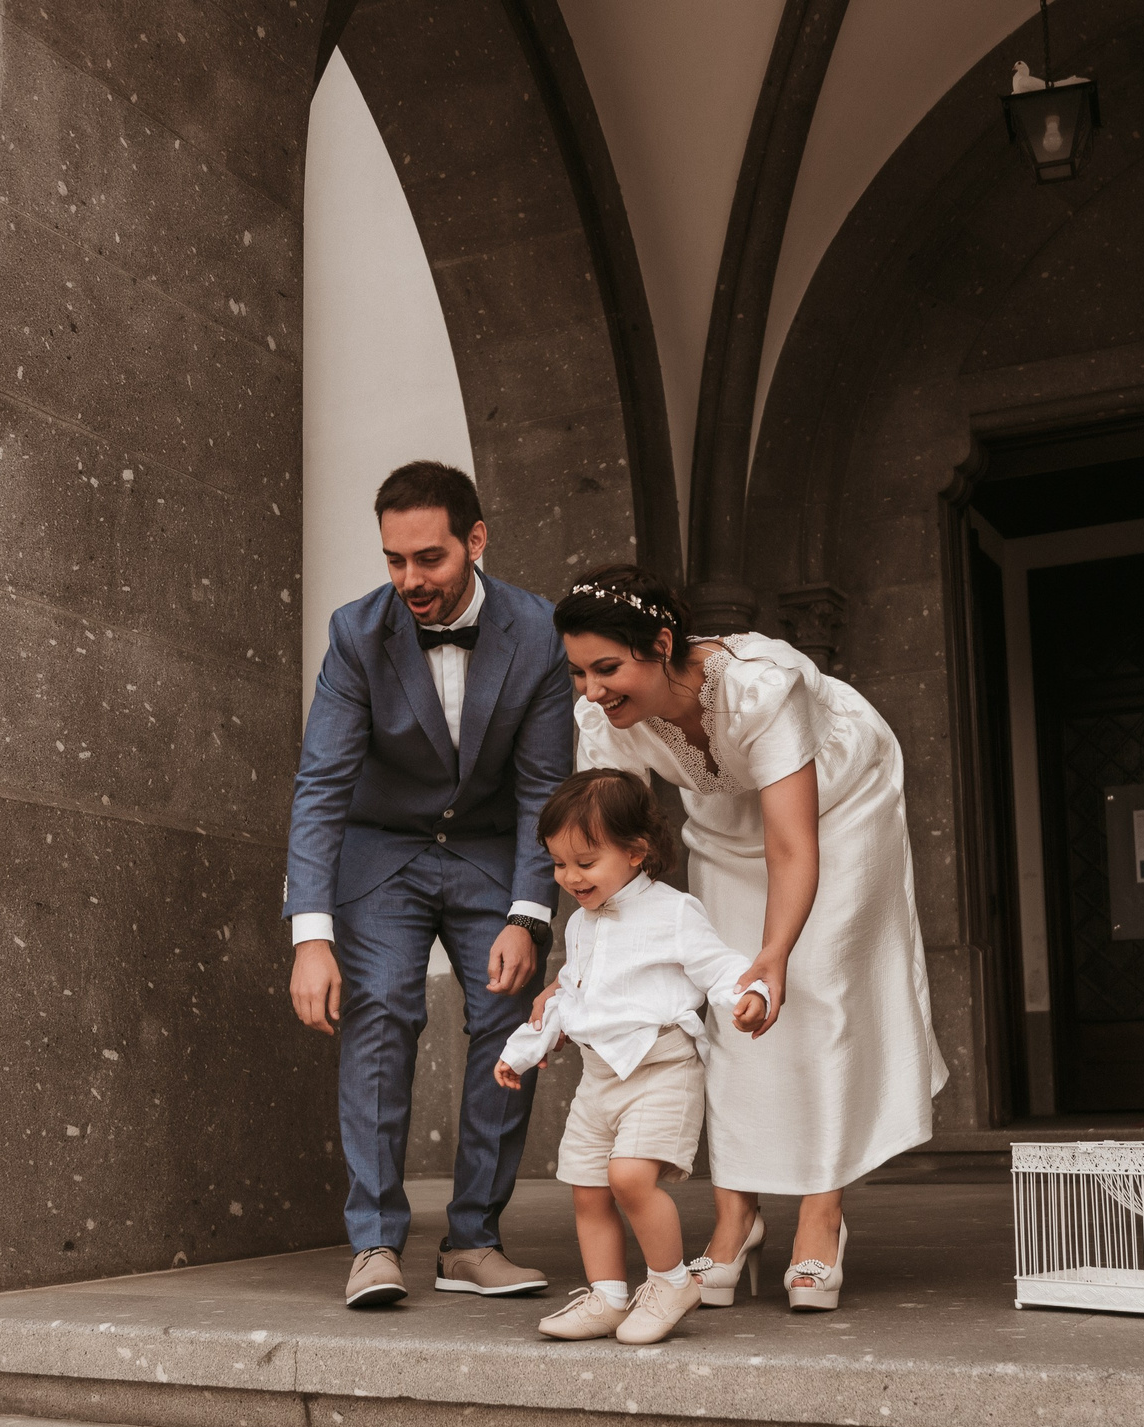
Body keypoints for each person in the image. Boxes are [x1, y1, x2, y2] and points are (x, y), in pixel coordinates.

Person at [553, 566, 946, 1310]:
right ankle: (737, 1215)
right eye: (578, 672)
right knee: (729, 1007)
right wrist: (578, 972)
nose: (592, 690)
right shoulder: (602, 719)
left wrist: (776, 951)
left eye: (606, 668)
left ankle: (821, 1215)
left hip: (839, 802)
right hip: (727, 816)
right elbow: (599, 848)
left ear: (660, 645)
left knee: (816, 987)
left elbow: (792, 845)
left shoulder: (761, 687)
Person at [286, 461, 574, 1308]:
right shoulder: (356, 632)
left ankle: (473, 1240)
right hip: (383, 853)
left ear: (475, 541)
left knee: (509, 1020)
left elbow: (544, 788)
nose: (410, 579)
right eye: (394, 560)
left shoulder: (538, 630)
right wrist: (311, 934)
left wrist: (530, 914)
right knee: (380, 1007)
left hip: (490, 851)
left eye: (430, 558)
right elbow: (322, 783)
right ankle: (375, 1243)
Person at [494, 770, 769, 1346]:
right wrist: (521, 1051)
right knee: (588, 1188)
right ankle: (608, 1297)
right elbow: (569, 994)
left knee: (628, 1178)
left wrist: (750, 995)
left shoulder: (673, 911)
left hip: (661, 1068)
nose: (570, 878)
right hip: (598, 1079)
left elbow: (718, 966)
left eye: (585, 862)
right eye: (558, 864)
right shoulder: (581, 923)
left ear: (636, 852)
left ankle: (671, 1283)